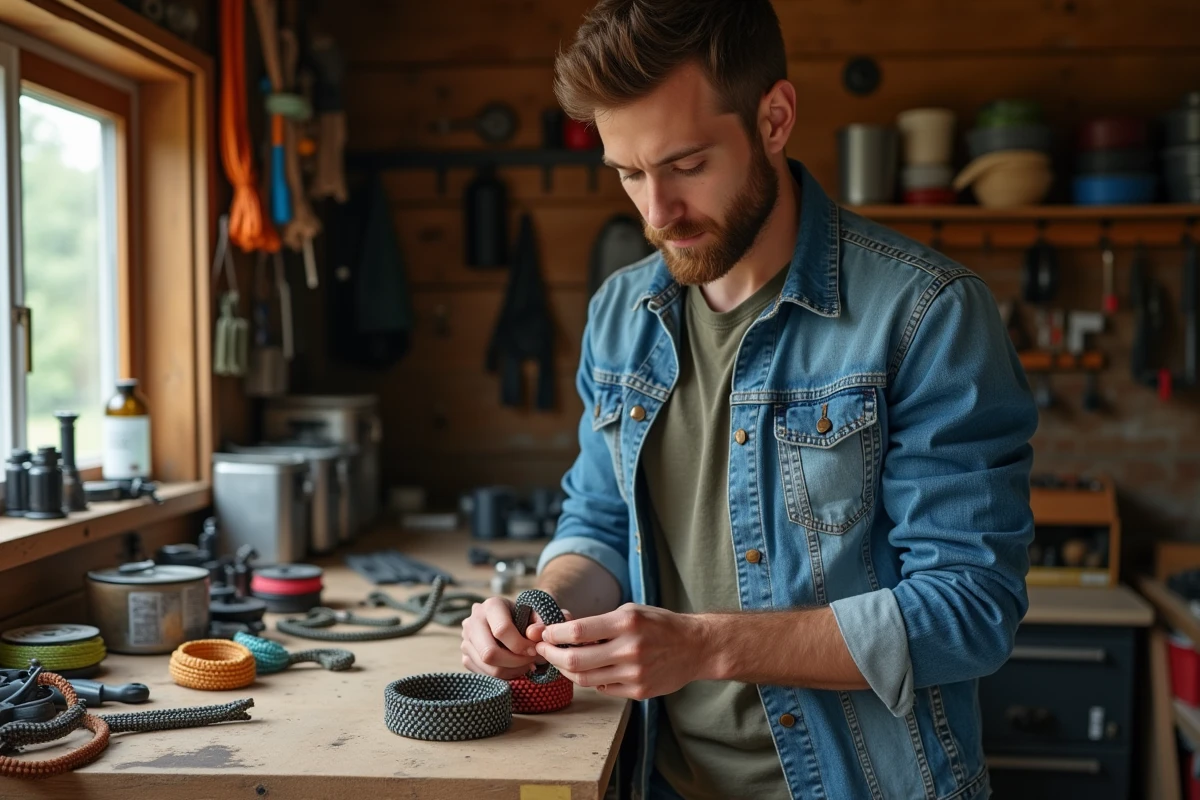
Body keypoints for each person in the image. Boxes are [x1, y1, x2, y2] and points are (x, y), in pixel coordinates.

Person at [460, 1, 1037, 798]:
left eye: (687, 164)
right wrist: (537, 608)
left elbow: (970, 610)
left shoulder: (926, 314)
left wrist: (704, 646)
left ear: (774, 118)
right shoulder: (619, 315)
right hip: (660, 778)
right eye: (630, 173)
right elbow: (600, 522)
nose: (656, 213)